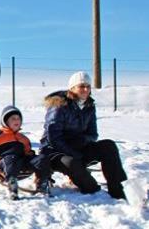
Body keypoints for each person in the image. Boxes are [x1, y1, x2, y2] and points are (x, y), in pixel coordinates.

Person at [40, 71, 127, 199]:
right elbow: (54, 138)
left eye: (88, 86)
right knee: (73, 163)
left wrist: (82, 141)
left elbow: (93, 134)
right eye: (81, 86)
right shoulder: (59, 105)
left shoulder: (89, 106)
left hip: (78, 148)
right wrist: (74, 152)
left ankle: (117, 189)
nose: (85, 89)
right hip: (54, 152)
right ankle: (94, 191)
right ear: (72, 88)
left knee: (108, 146)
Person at [0, 105, 52, 198]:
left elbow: (28, 153)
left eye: (18, 118)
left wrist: (43, 167)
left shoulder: (23, 138)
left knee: (42, 157)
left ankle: (42, 183)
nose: (16, 121)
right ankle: (12, 186)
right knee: (11, 158)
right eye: (13, 119)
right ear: (5, 121)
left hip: (21, 165)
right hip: (5, 166)